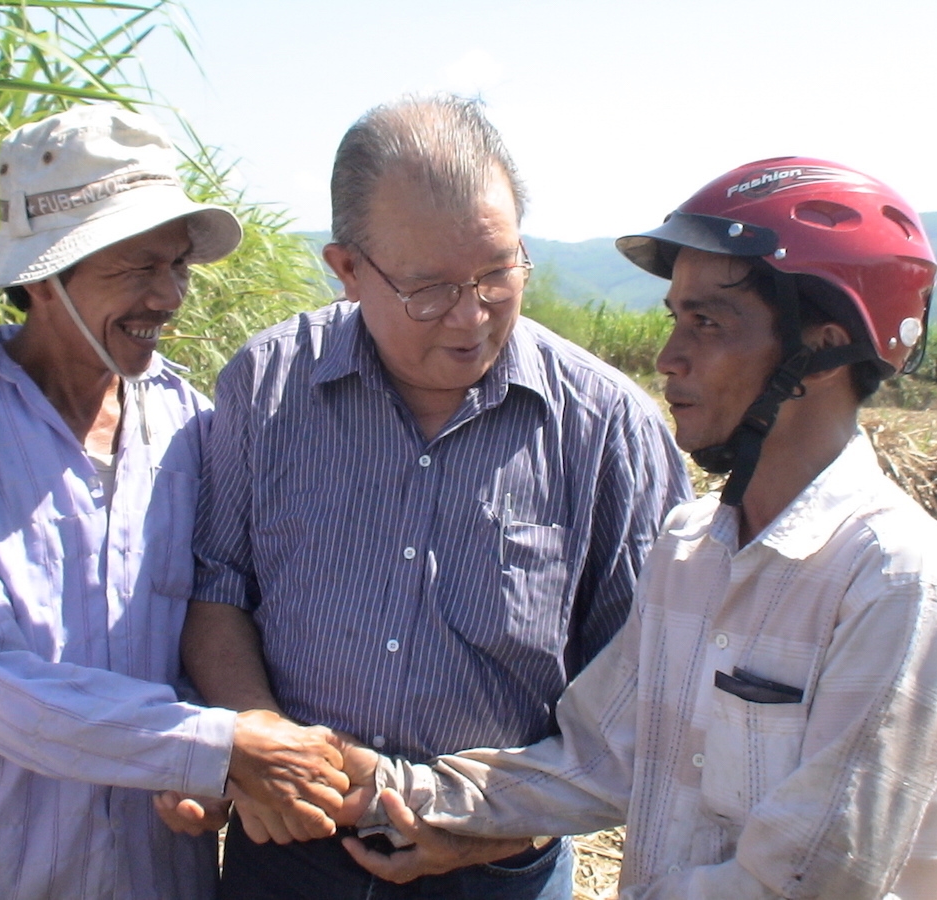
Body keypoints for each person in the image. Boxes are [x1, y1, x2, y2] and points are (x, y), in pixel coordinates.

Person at [344, 158, 937, 899]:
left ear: (820, 348)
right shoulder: (690, 550)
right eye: (675, 319)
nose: (667, 358)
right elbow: (598, 757)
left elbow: (810, 880)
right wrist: (391, 790)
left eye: (707, 323)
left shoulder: (898, 584)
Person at [175, 94, 690, 899]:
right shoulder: (268, 387)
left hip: (497, 865)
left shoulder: (605, 427)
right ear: (347, 270)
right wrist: (260, 734)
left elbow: (643, 688)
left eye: (499, 273)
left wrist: (490, 826)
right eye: (430, 289)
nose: (470, 316)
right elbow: (217, 586)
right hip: (291, 851)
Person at [0, 103, 351, 900]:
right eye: (136, 267)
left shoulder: (190, 428)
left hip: (154, 874)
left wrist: (207, 776)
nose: (168, 297)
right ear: (43, 278)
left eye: (178, 266)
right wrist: (214, 745)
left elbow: (209, 619)